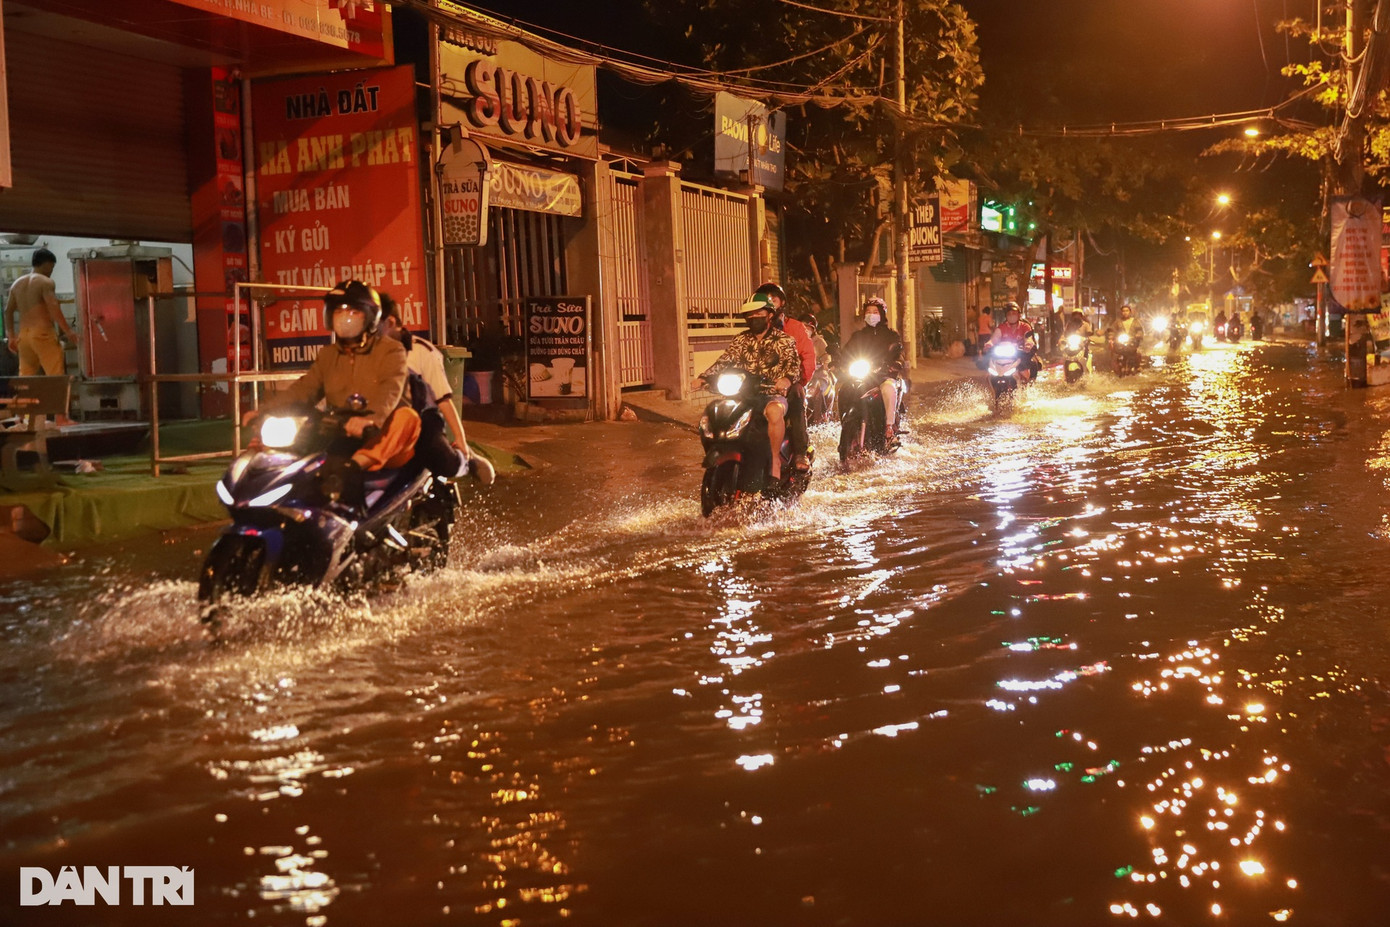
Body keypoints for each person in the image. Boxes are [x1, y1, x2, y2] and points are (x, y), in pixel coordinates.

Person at [246, 280, 416, 512]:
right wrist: (265, 410)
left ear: (369, 317)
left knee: (406, 417)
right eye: (339, 311)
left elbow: (390, 389)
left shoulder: (391, 350)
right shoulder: (328, 355)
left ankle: (354, 468)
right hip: (341, 430)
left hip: (382, 433)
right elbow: (304, 389)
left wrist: (370, 419)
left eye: (353, 311)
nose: (344, 317)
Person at [378, 294, 494, 485]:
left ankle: (464, 460)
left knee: (444, 463)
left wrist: (461, 439)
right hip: (382, 420)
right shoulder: (367, 352)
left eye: (373, 325)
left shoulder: (421, 351)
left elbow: (443, 399)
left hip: (423, 420)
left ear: (390, 322)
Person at [692, 292, 801, 482]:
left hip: (770, 394)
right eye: (749, 315)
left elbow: (794, 367)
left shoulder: (784, 341)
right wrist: (703, 378)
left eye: (758, 313)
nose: (753, 317)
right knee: (713, 412)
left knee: (775, 412)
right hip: (742, 394)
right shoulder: (740, 340)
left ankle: (774, 460)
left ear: (769, 315)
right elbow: (724, 361)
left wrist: (786, 380)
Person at [756, 282, 815, 471]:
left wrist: (797, 380)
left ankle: (800, 451)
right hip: (761, 383)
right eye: (764, 300)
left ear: (781, 302)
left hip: (791, 381)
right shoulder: (754, 329)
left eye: (773, 299)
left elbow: (807, 357)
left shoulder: (795, 328)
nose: (769, 303)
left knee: (797, 396)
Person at [5, 248, 77, 379]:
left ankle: (26, 394)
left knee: (26, 379)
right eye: (52, 267)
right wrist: (68, 331)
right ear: (47, 263)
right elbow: (53, 307)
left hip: (23, 337)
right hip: (43, 334)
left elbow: (8, 311)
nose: (51, 271)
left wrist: (11, 336)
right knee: (55, 377)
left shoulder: (16, 284)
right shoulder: (45, 282)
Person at [842, 296, 905, 442]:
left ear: (882, 314)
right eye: (868, 312)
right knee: (845, 389)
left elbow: (899, 354)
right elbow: (846, 353)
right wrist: (838, 361)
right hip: (864, 376)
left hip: (884, 376)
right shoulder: (858, 336)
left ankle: (889, 427)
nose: (871, 315)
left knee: (888, 389)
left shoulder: (891, 335)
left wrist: (895, 363)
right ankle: (846, 422)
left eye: (875, 312)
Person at [988, 302, 1038, 383]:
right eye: (1009, 314)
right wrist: (989, 344)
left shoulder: (1025, 326)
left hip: (1020, 354)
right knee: (990, 369)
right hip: (1004, 355)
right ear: (1006, 316)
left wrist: (1028, 345)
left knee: (1027, 368)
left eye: (1014, 313)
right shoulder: (1002, 327)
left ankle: (1026, 383)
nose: (1011, 316)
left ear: (1019, 315)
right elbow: (995, 338)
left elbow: (1028, 338)